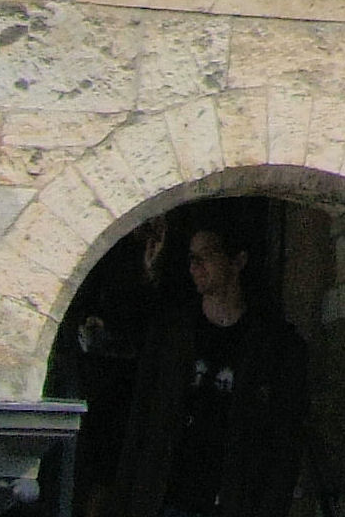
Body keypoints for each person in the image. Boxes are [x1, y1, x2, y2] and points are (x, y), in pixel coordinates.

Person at [102, 211, 317, 517]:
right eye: (192, 257)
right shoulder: (173, 335)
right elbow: (142, 414)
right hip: (167, 500)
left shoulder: (274, 345)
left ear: (237, 261)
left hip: (230, 501)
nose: (196, 266)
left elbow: (285, 440)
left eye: (208, 255)